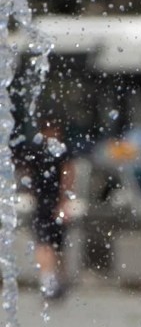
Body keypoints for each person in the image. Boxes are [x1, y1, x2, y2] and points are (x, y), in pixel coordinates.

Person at [16, 117, 76, 301]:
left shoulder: (36, 150)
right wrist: (65, 200)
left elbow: (25, 172)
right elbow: (68, 174)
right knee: (51, 243)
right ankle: (52, 280)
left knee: (48, 242)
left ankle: (51, 279)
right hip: (52, 202)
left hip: (44, 202)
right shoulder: (59, 150)